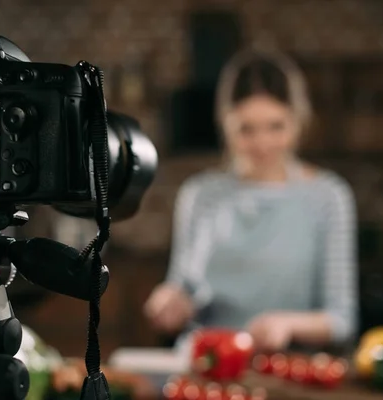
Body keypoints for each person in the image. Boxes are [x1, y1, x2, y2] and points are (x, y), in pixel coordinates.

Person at [144, 50, 358, 353]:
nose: (262, 144)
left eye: (276, 126)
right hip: (208, 365)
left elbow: (342, 318)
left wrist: (287, 324)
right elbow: (182, 285)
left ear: (299, 121)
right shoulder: (199, 195)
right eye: (246, 129)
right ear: (225, 125)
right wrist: (169, 301)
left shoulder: (328, 197)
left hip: (287, 371)